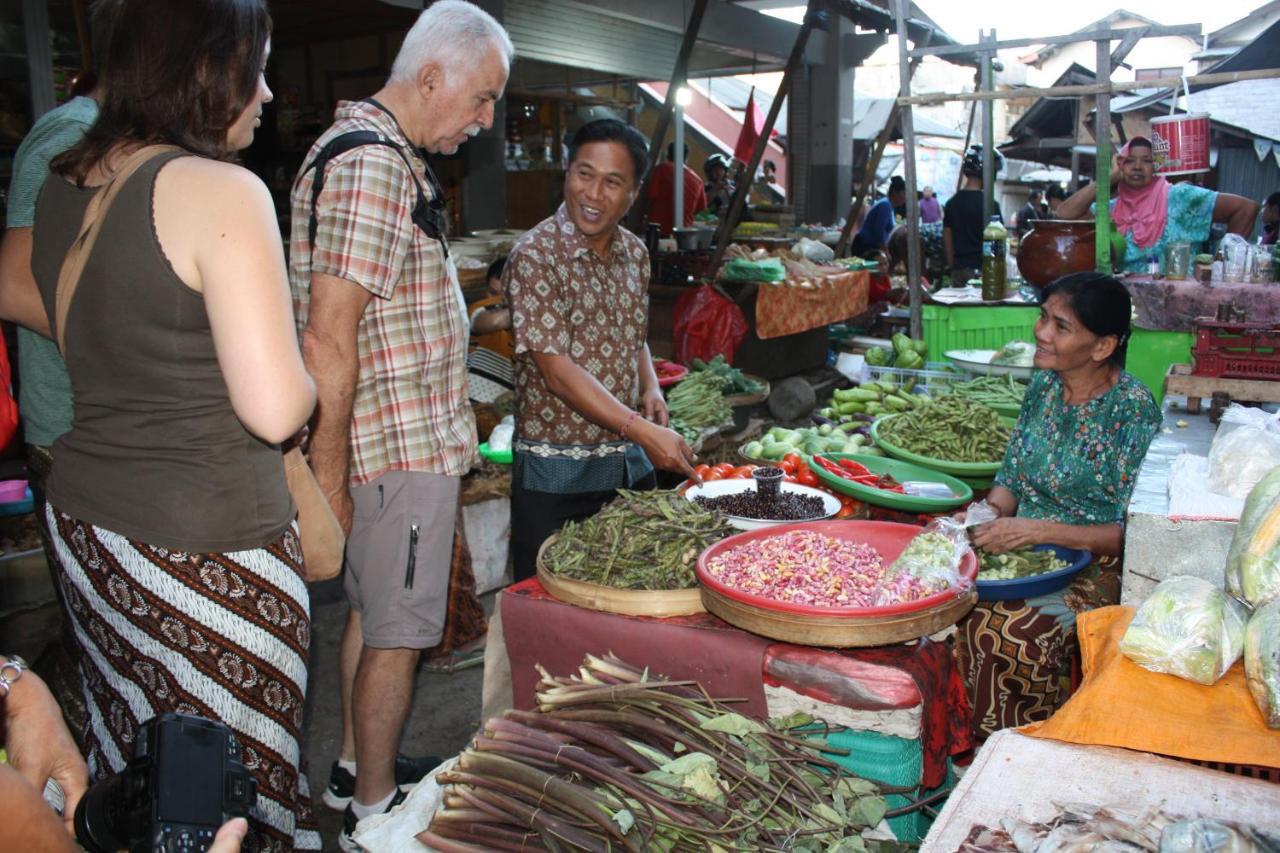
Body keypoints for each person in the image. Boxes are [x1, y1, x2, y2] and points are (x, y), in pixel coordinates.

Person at [0, 1, 319, 849]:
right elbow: (278, 406)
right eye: (258, 64)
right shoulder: (221, 190)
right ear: (210, 66)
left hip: (92, 528)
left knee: (139, 768)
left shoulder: (72, 181)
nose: (269, 91)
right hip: (205, 547)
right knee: (225, 793)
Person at [287, 2, 512, 847]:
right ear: (430, 79)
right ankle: (375, 813)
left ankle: (352, 769)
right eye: (483, 98)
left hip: (393, 443)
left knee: (376, 623)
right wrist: (331, 476)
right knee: (399, 637)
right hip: (393, 448)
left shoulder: (372, 156)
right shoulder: (374, 166)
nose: (486, 120)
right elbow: (328, 332)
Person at [957, 272, 1162, 734]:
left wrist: (1037, 530)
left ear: (1103, 346)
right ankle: (971, 747)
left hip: (1096, 565)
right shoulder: (1044, 388)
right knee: (948, 602)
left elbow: (1130, 535)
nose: (1041, 333)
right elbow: (1011, 478)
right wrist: (980, 518)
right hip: (1024, 550)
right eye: (1043, 317)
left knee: (1013, 631)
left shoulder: (1131, 410)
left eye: (1061, 326)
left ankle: (1027, 743)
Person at [505, 118, 699, 582]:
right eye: (583, 174)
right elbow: (555, 370)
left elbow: (634, 335)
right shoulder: (536, 255)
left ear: (634, 194)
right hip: (556, 481)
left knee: (627, 605)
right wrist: (644, 432)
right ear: (567, 173)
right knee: (549, 613)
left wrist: (650, 386)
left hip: (627, 474)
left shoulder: (635, 253)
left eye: (613, 182)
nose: (593, 194)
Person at [1056, 136, 1258, 273]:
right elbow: (1064, 213)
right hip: (1127, 309)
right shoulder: (1110, 209)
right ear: (1120, 165)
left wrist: (1221, 266)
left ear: (1156, 166)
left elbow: (1246, 208)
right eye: (1129, 161)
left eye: (1146, 161)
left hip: (1179, 308)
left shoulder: (1179, 197)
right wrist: (1108, 178)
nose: (1137, 166)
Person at [944, 145, 1002, 283]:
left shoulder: (951, 203)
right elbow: (997, 244)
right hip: (983, 273)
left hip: (959, 271)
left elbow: (947, 239)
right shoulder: (991, 205)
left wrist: (954, 266)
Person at [467, 256, 515, 403]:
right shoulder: (478, 310)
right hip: (475, 403)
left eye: (506, 295)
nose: (497, 301)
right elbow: (494, 322)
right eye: (493, 294)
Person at [644, 142, 706, 236]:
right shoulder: (698, 180)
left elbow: (650, 197)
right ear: (686, 158)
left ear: (668, 155)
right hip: (682, 235)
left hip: (657, 230)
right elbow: (700, 208)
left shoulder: (662, 169)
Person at [851, 176, 905, 257]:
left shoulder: (888, 205)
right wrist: (886, 252)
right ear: (894, 192)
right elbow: (879, 231)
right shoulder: (885, 205)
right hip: (866, 246)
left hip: (869, 245)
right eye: (904, 193)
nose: (905, 197)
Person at [704, 152, 735, 216]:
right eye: (714, 170)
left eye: (720, 169)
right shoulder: (706, 187)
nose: (718, 172)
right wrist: (716, 189)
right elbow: (703, 204)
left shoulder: (731, 186)